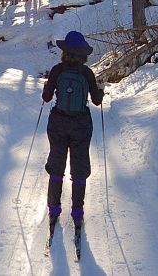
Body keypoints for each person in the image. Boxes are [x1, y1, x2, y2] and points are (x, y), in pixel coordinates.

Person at [42, 31, 104, 229]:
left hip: (58, 123)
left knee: (56, 165)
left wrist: (47, 87)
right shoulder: (87, 73)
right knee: (79, 168)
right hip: (81, 125)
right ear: (83, 54)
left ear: (64, 52)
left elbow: (47, 98)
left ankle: (53, 210)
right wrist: (100, 90)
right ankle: (77, 213)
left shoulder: (57, 70)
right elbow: (96, 100)